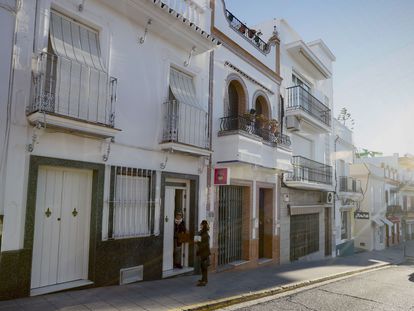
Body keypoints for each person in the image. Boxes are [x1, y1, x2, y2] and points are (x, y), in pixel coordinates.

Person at [196, 220, 210, 286]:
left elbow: (203, 243)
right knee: (202, 266)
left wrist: (197, 241)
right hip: (203, 251)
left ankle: (204, 281)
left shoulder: (204, 233)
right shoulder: (202, 232)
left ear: (203, 225)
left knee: (204, 267)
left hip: (204, 252)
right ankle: (204, 279)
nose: (200, 225)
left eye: (201, 224)